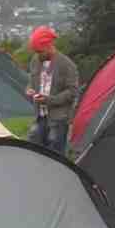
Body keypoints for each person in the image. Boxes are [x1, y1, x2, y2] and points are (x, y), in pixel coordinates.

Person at [25, 25, 79, 156]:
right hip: (40, 115)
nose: (38, 55)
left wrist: (50, 100)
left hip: (59, 117)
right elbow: (31, 83)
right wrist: (29, 90)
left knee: (55, 152)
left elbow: (72, 92)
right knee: (33, 145)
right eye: (36, 52)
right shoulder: (35, 61)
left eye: (40, 51)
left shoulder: (67, 65)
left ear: (49, 46)